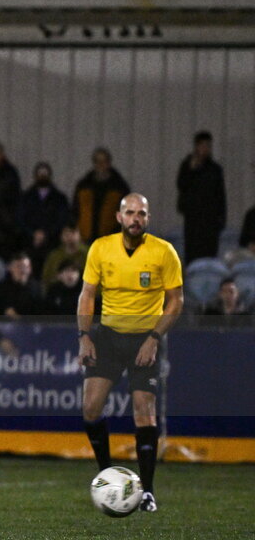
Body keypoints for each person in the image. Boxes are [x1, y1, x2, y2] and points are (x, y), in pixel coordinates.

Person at [78, 193, 183, 513]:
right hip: (108, 335)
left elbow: (176, 301)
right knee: (91, 408)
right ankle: (107, 475)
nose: (136, 218)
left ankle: (147, 490)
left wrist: (154, 338)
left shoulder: (163, 252)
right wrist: (84, 336)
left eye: (142, 213)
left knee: (143, 409)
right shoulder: (100, 248)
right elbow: (87, 294)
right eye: (131, 213)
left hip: (144, 337)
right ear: (119, 217)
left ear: (147, 219)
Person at [176, 131, 226, 265]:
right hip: (193, 221)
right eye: (202, 145)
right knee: (192, 257)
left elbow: (220, 195)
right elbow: (181, 185)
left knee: (209, 257)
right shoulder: (187, 166)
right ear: (196, 147)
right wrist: (192, 169)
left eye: (208, 146)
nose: (206, 149)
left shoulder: (215, 169)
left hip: (210, 222)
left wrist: (221, 219)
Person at [71, 147, 130, 243]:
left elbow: (126, 215)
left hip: (110, 239)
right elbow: (75, 210)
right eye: (97, 161)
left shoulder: (119, 187)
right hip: (86, 238)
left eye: (104, 161)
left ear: (109, 163)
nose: (100, 165)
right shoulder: (83, 186)